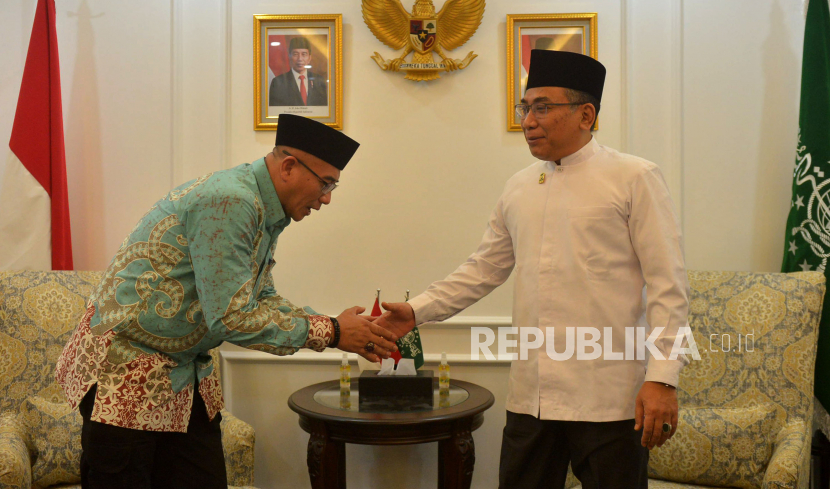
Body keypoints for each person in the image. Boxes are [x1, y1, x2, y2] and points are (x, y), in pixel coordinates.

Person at [376, 50, 690, 489]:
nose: (528, 120)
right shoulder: (520, 186)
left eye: (542, 107)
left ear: (586, 114)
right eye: (526, 108)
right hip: (532, 397)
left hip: (609, 397)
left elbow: (667, 286)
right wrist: (417, 312)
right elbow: (484, 267)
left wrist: (662, 379)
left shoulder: (634, 177)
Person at [56, 113, 397, 489]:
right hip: (126, 376)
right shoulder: (231, 200)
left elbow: (259, 296)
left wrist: (334, 326)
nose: (328, 197)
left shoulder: (262, 207)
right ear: (288, 167)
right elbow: (232, 318)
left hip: (182, 379)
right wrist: (330, 332)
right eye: (326, 182)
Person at [269, 36, 328, 107]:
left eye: (304, 54)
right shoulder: (278, 82)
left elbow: (324, 108)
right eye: (295, 54)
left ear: (309, 58)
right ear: (290, 57)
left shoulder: (318, 80)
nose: (300, 59)